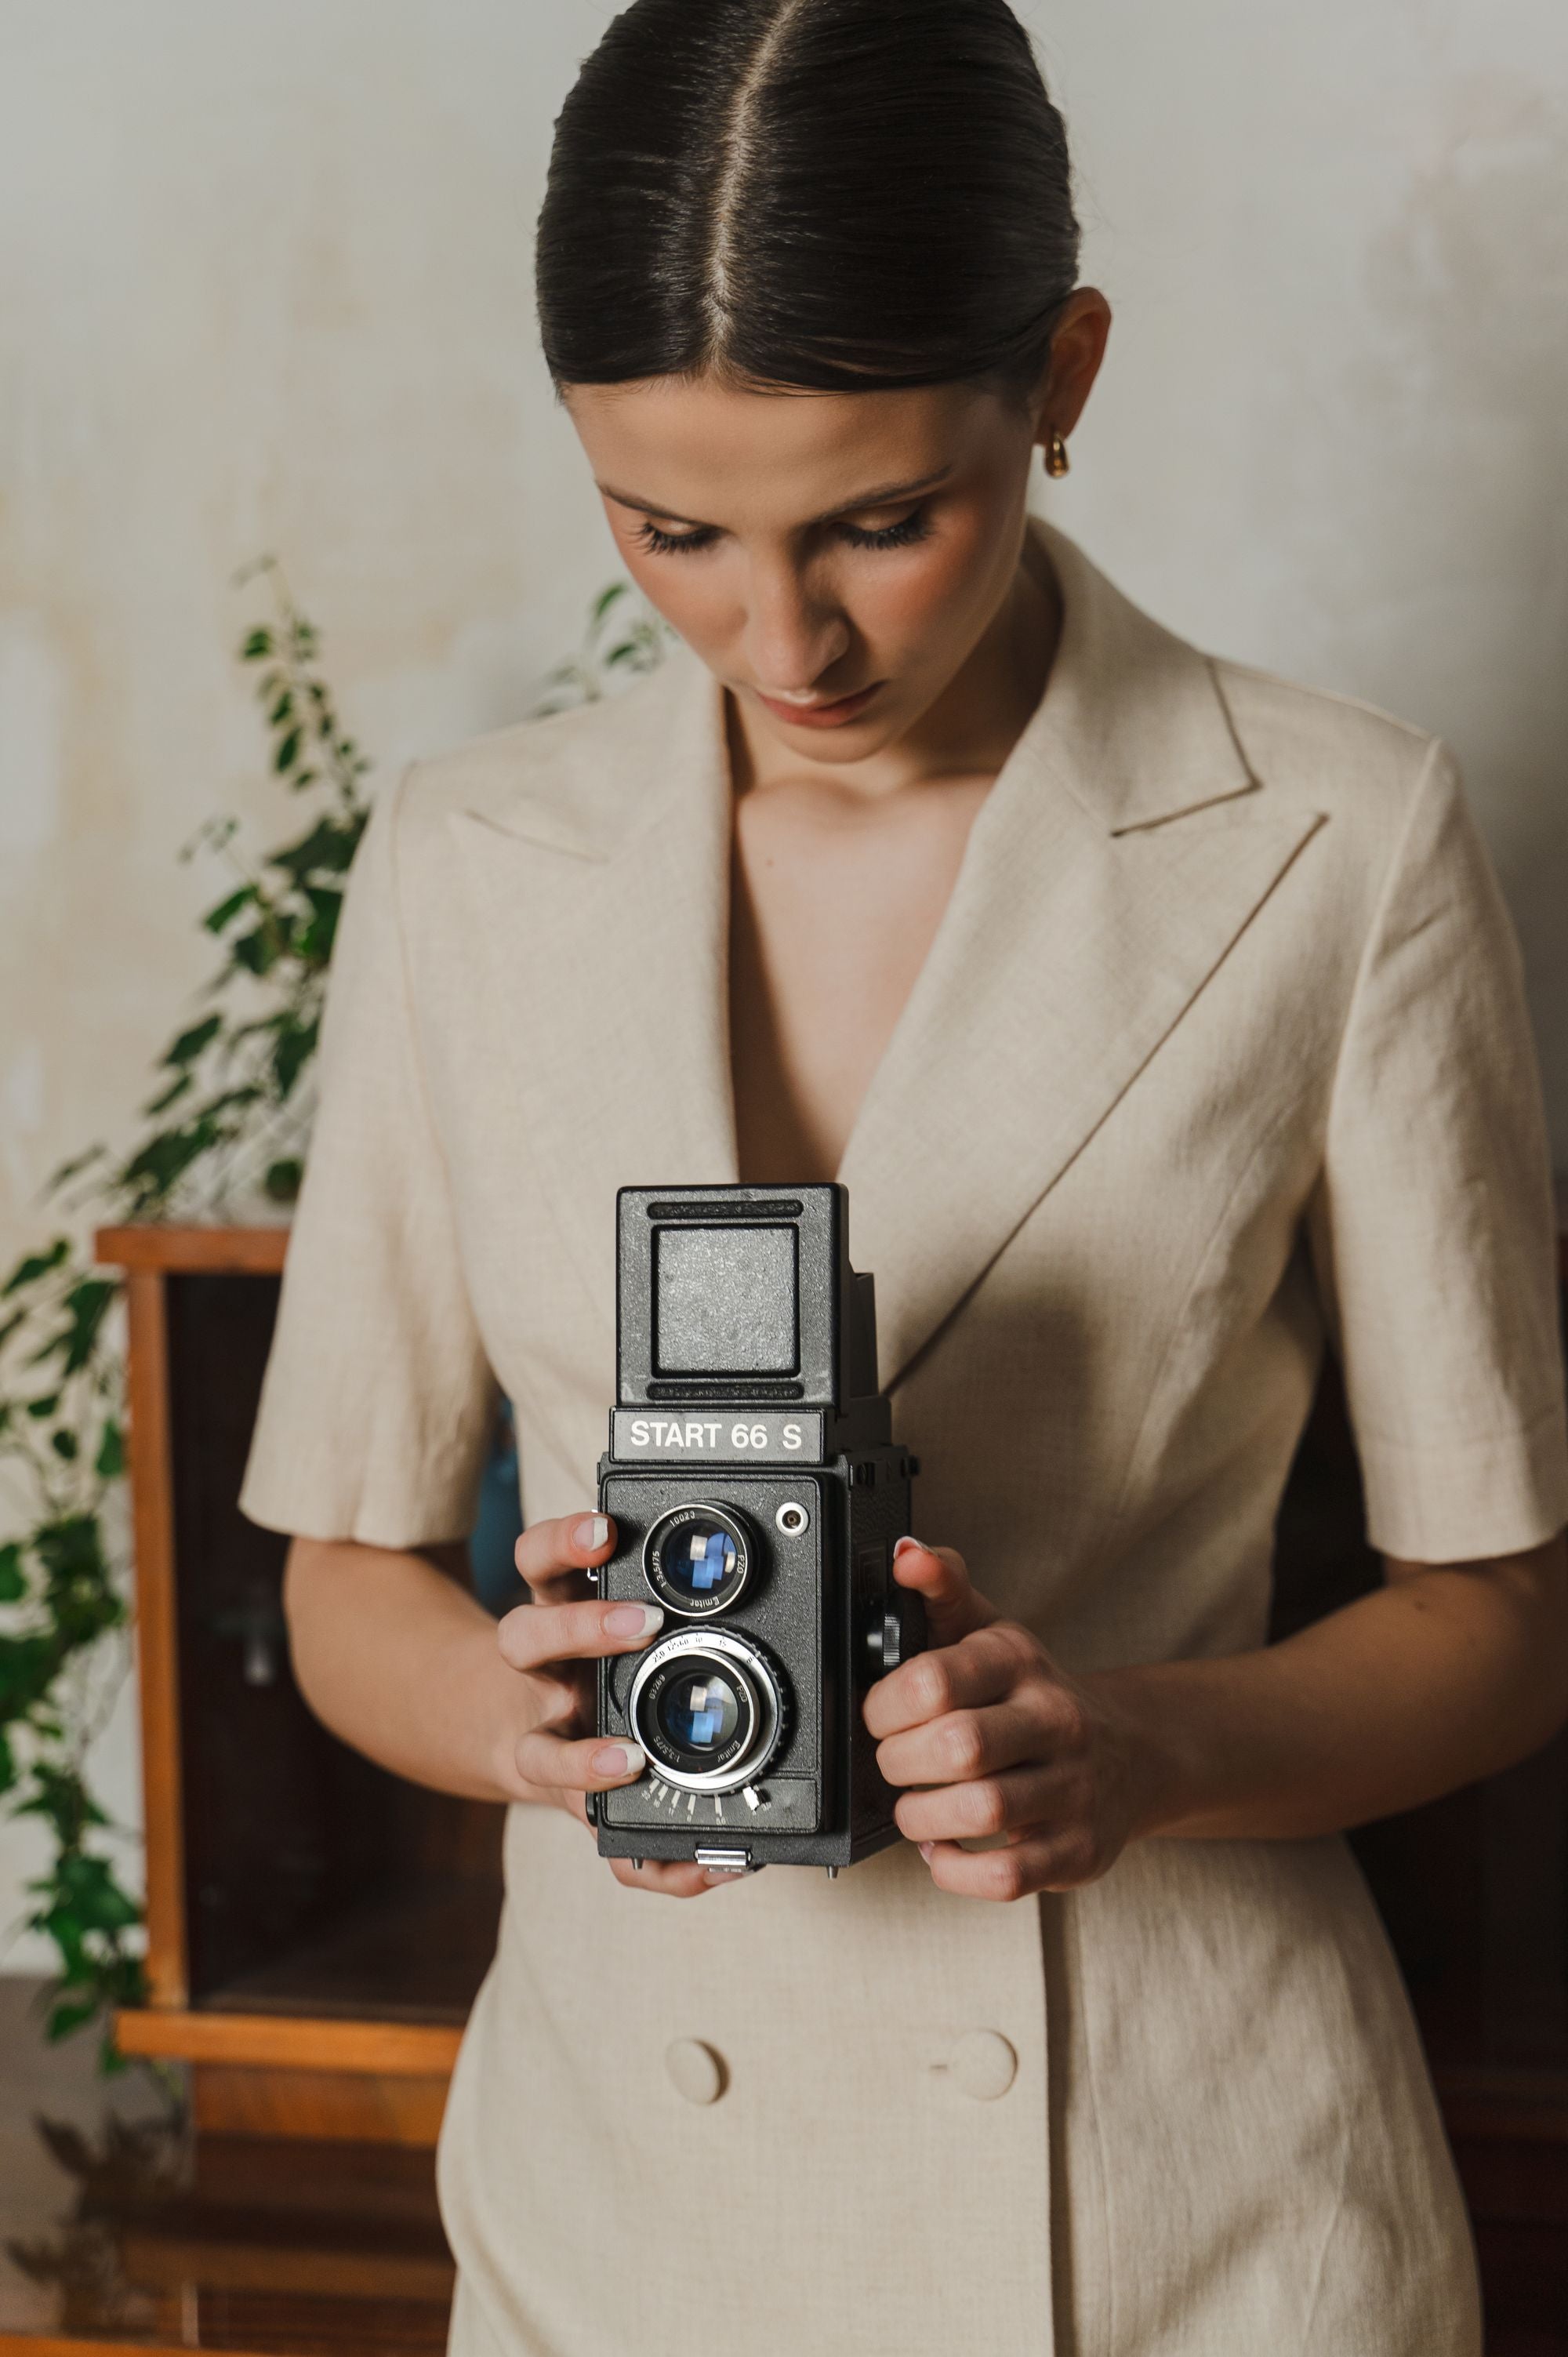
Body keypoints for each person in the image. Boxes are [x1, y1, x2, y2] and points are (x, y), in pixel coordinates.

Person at [238, 3, 1568, 2351]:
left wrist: (1132, 1751)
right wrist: (510, 1721)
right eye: (670, 530)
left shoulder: (1343, 835)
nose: (783, 636)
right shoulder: (469, 859)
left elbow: (1500, 1622)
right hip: (624, 2197)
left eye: (878, 519)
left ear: (1059, 373)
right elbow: (344, 1561)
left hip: (1186, 2204)